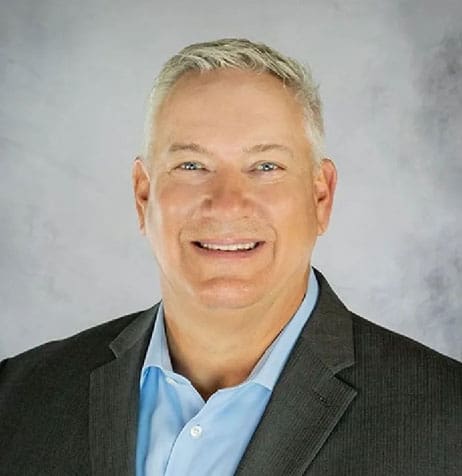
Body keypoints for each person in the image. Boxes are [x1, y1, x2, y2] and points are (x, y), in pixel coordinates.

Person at [0, 38, 461, 476]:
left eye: (266, 167)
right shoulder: (18, 397)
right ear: (143, 197)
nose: (226, 202)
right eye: (191, 166)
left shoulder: (446, 419)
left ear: (321, 198)